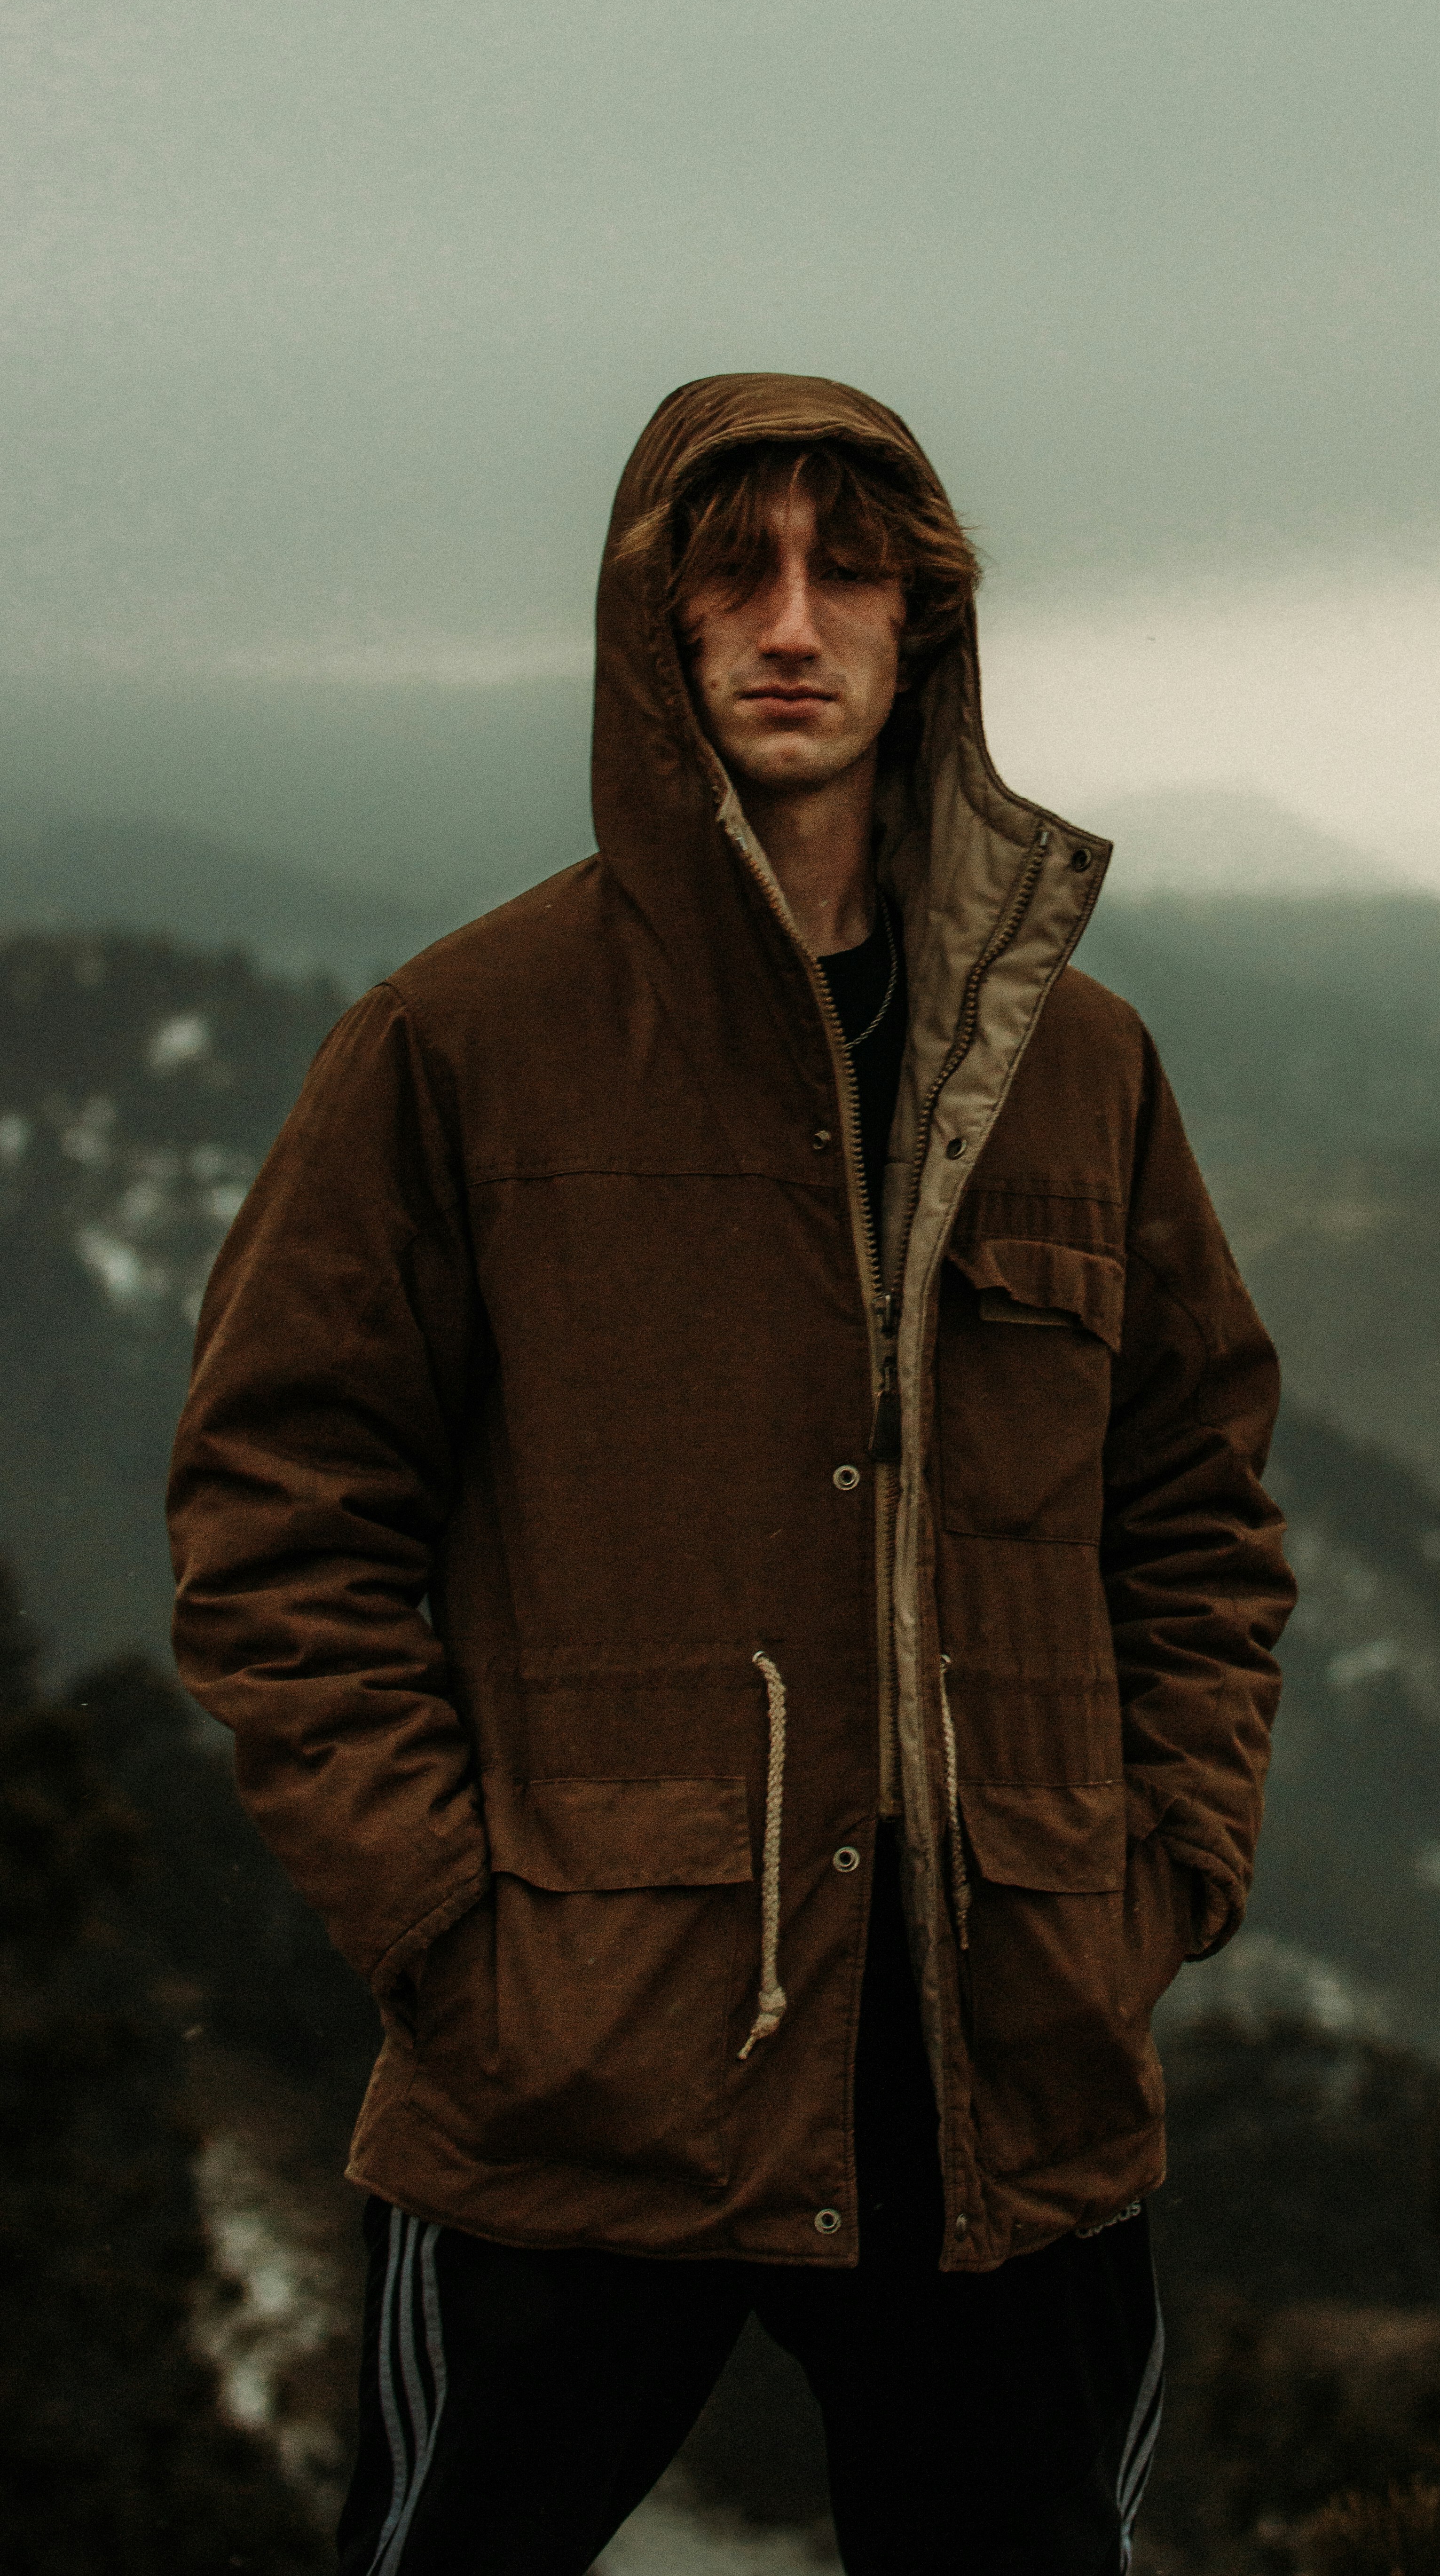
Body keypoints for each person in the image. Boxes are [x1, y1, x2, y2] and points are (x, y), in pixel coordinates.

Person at [168, 372, 1291, 2575]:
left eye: (845, 566)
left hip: (1008, 2083)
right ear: (651, 628)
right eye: (731, 566)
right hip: (578, 2073)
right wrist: (454, 1937)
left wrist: (1158, 1869)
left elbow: (1195, 1503)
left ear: (924, 625)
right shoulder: (464, 1043)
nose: (789, 621)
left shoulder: (1078, 1069)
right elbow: (275, 1515)